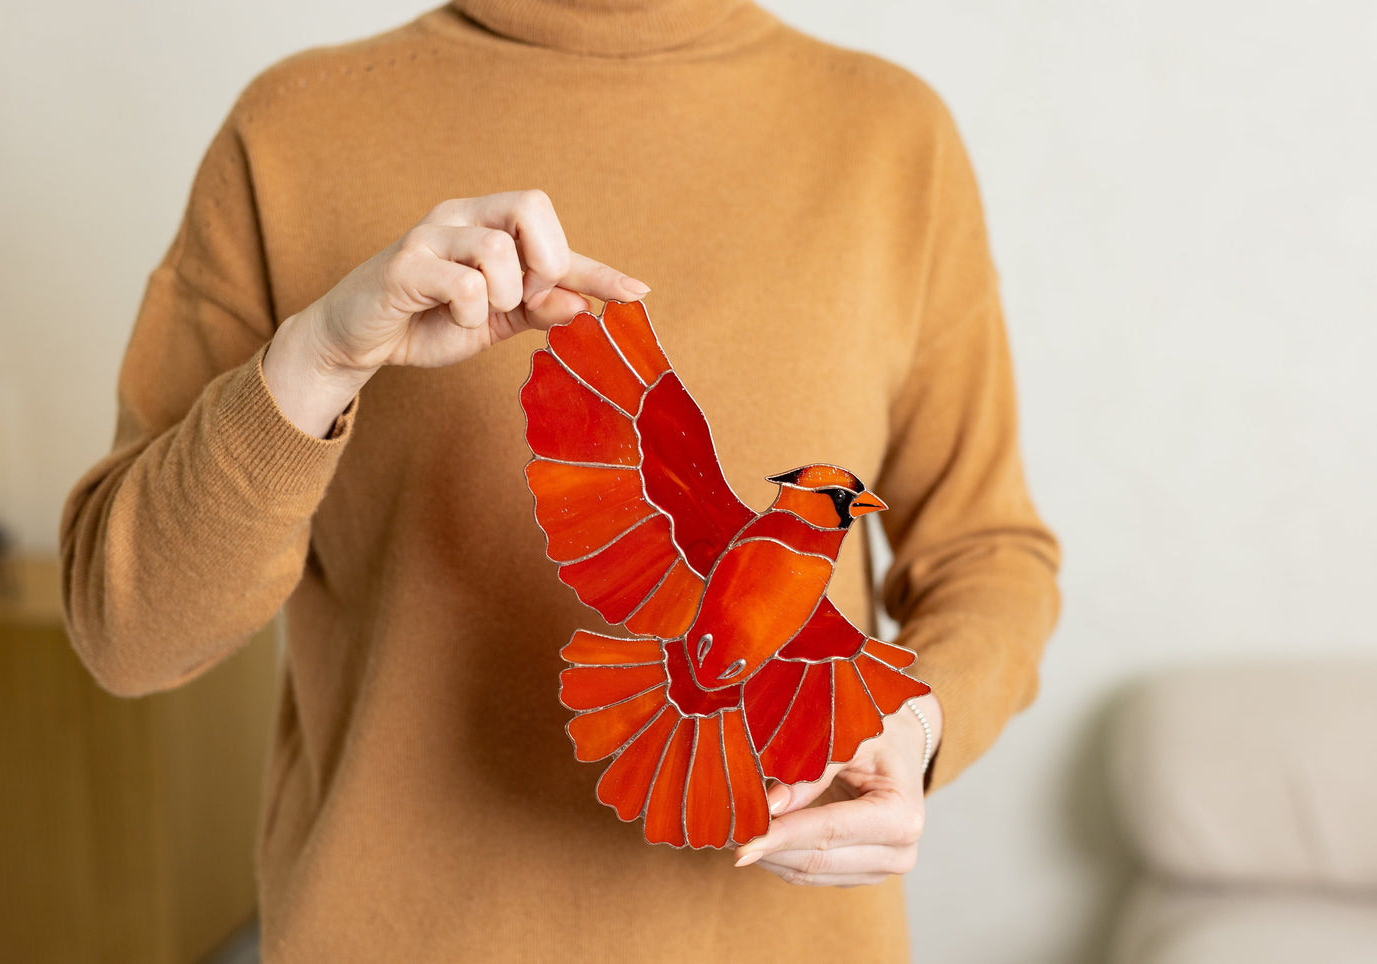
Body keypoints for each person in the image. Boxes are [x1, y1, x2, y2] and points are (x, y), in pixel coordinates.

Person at [60, 0, 1060, 960]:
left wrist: (913, 716)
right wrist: (317, 357)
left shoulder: (892, 138)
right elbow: (129, 634)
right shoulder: (291, 131)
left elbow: (987, 555)